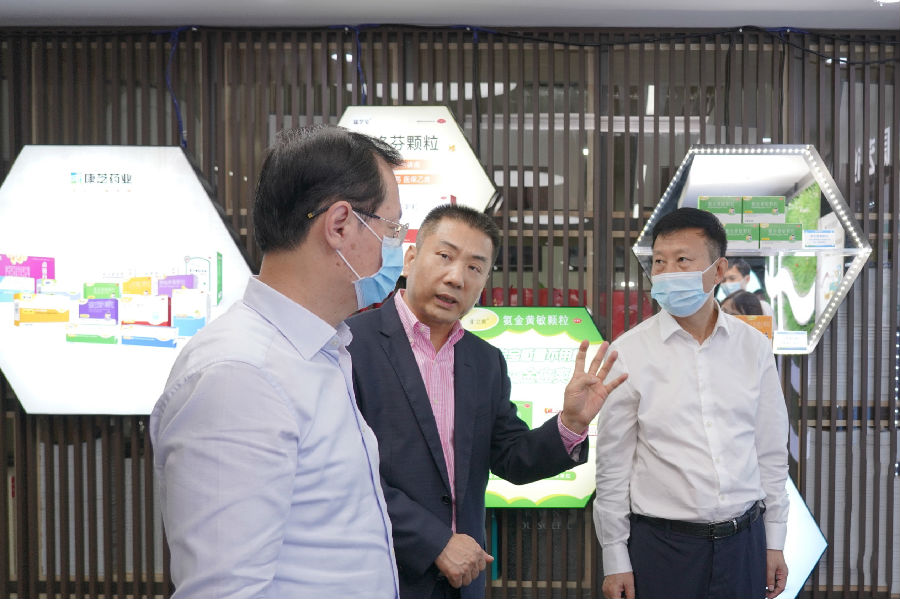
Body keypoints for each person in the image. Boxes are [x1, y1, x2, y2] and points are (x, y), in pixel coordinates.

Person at [150, 126, 406, 598]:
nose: (397, 248)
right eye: (391, 229)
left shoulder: (319, 350)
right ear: (340, 225)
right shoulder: (240, 376)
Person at [347, 204, 628, 599]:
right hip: (382, 576)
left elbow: (511, 457)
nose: (456, 277)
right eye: (444, 256)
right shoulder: (351, 345)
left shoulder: (485, 361)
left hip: (464, 583)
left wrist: (571, 423)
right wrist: (435, 542)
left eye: (475, 267)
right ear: (410, 259)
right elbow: (346, 475)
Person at [594, 207, 790, 599]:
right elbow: (613, 466)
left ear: (719, 271)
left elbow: (769, 450)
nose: (668, 272)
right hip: (662, 548)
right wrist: (615, 557)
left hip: (744, 542)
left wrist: (775, 540)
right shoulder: (629, 352)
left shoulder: (752, 347)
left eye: (682, 260)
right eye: (659, 262)